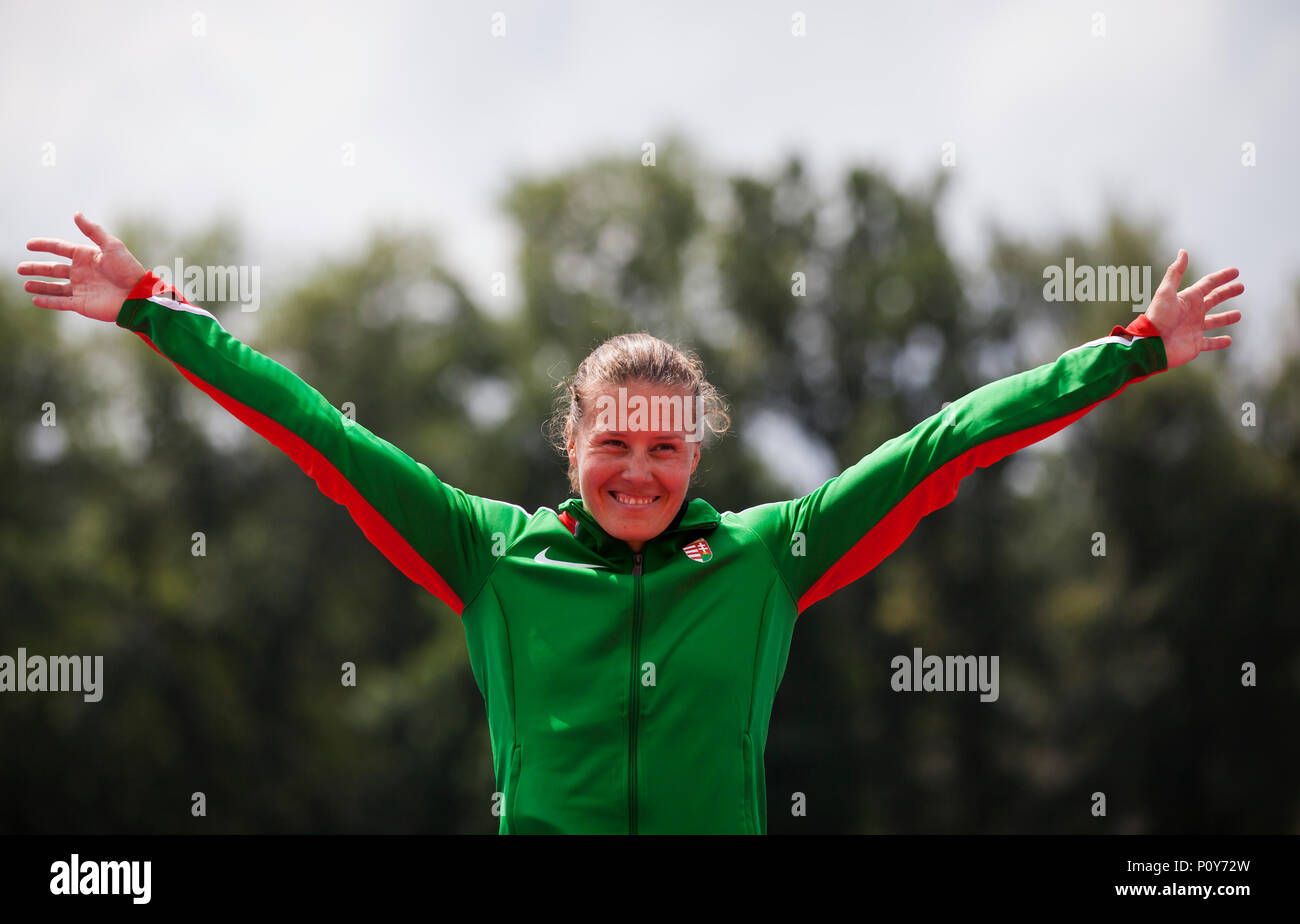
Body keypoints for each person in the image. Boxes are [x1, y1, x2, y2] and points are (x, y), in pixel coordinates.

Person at [18, 213, 1244, 834]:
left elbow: (943, 447)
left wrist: (1126, 355)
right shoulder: (489, 552)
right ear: (571, 441)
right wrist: (157, 311)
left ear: (697, 446)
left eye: (665, 447)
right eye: (615, 443)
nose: (640, 472)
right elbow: (320, 438)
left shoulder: (769, 556)